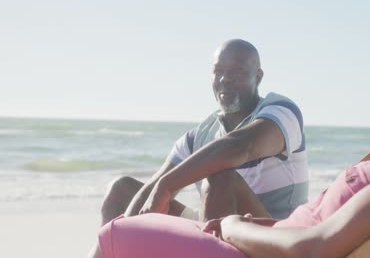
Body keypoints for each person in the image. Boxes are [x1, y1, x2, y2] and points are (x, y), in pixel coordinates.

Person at [96, 32, 370, 258]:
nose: (225, 79)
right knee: (123, 202)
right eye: (219, 71)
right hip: (266, 235)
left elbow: (313, 248)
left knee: (118, 234)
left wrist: (230, 227)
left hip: (257, 246)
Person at [99, 39, 309, 224]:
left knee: (219, 176)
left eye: (237, 70)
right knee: (122, 191)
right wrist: (123, 230)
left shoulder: (281, 111)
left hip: (276, 238)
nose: (225, 78)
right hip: (213, 226)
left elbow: (241, 146)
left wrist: (167, 185)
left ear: (259, 76)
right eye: (219, 71)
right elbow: (152, 190)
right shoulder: (196, 138)